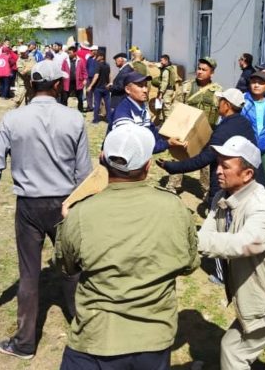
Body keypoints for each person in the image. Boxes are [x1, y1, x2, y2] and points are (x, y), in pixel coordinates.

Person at [0, 60, 92, 361]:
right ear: (58, 85)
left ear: (32, 85)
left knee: (29, 274)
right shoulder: (74, 119)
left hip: (29, 206)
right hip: (66, 204)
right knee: (73, 269)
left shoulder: (13, 119)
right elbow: (84, 173)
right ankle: (87, 331)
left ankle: (24, 343)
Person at [55, 124, 199, 369]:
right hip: (153, 338)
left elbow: (67, 266)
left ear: (103, 159)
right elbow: (190, 264)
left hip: (96, 336)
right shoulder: (174, 208)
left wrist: (69, 222)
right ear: (148, 165)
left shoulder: (80, 213)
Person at [198, 135, 265, 370]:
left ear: (247, 174)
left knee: (233, 350)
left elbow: (244, 244)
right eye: (218, 164)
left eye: (225, 166)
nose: (218, 171)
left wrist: (192, 242)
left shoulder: (262, 206)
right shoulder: (221, 198)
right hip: (262, 293)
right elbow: (206, 234)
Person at [167, 57, 222, 195]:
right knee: (179, 157)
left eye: (204, 70)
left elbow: (221, 111)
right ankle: (172, 186)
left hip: (207, 133)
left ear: (212, 73)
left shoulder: (218, 91)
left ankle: (207, 191)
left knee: (206, 164)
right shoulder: (187, 87)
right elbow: (176, 107)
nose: (200, 72)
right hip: (186, 130)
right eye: (199, 68)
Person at [109, 71, 185, 154]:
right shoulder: (123, 113)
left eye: (145, 85)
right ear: (128, 89)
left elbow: (151, 131)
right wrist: (167, 143)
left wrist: (169, 137)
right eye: (140, 86)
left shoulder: (142, 107)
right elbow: (134, 147)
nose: (145, 90)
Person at [241, 70, 265, 192]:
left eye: (260, 83)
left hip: (263, 151)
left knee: (263, 186)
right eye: (253, 82)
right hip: (244, 151)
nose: (256, 85)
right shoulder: (242, 102)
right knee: (242, 184)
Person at [107, 52, 133, 123]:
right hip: (121, 99)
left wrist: (110, 87)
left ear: (122, 59)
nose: (115, 62)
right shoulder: (126, 69)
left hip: (120, 100)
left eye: (116, 60)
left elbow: (120, 87)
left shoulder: (125, 70)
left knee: (116, 120)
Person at [86, 51, 110, 124]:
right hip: (106, 87)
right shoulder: (107, 65)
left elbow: (96, 76)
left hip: (98, 88)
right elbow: (109, 75)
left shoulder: (98, 65)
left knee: (97, 104)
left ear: (102, 57)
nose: (96, 57)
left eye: (98, 56)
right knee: (107, 104)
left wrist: (90, 86)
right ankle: (109, 119)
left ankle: (96, 120)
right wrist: (109, 83)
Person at [60, 46, 87, 111]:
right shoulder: (65, 61)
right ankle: (64, 111)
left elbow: (84, 71)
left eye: (70, 53)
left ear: (75, 53)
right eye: (68, 53)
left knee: (80, 98)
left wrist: (85, 79)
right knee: (65, 98)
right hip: (67, 82)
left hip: (78, 82)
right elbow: (62, 71)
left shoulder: (80, 60)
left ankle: (80, 110)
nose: (69, 54)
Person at [155, 54, 178, 124]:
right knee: (160, 107)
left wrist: (161, 93)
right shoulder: (171, 68)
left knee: (166, 109)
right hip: (170, 90)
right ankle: (160, 122)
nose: (161, 62)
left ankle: (167, 124)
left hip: (166, 91)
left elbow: (165, 82)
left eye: (162, 61)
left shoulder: (166, 70)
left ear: (166, 60)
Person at [84, 45, 99, 112]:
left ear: (96, 51)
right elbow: (86, 68)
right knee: (88, 92)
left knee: (96, 93)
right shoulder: (89, 59)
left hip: (96, 78)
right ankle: (89, 107)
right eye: (91, 51)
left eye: (93, 51)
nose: (91, 52)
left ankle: (96, 107)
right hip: (89, 78)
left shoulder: (98, 59)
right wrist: (86, 77)